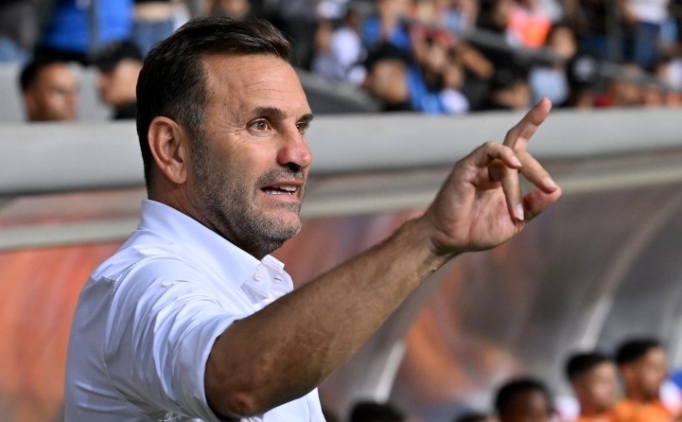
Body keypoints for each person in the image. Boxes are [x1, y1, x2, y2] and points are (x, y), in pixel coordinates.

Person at [64, 16, 561, 421]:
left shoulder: (256, 285)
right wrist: (428, 239)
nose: (300, 154)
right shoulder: (138, 284)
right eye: (261, 124)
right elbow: (238, 381)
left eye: (300, 126)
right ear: (172, 149)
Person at [612, 338, 679, 422]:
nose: (664, 375)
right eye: (654, 368)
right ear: (628, 371)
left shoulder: (668, 408)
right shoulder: (612, 412)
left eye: (663, 368)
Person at [91, 40, 143, 119]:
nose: (99, 82)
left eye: (109, 72)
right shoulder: (124, 116)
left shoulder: (154, 118)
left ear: (137, 71)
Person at [565, 351, 619, 422]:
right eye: (603, 382)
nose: (611, 389)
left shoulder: (627, 415)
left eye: (613, 381)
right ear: (579, 387)